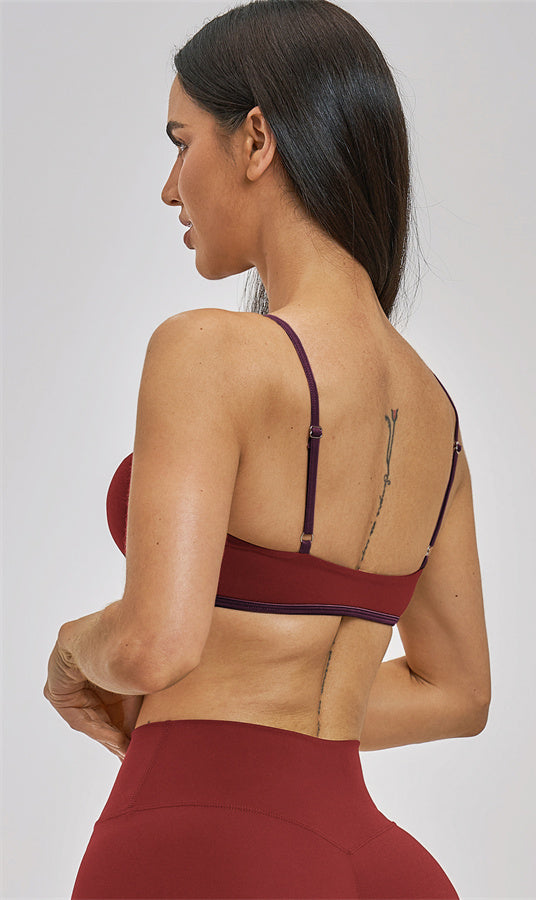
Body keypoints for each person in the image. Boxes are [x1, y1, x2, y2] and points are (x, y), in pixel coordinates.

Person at [44, 1, 491, 896]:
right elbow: (458, 693)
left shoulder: (208, 351)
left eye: (181, 143)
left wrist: (70, 654)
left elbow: (154, 643)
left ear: (255, 140)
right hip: (379, 866)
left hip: (204, 847)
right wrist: (287, 703)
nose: (170, 188)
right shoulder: (434, 415)